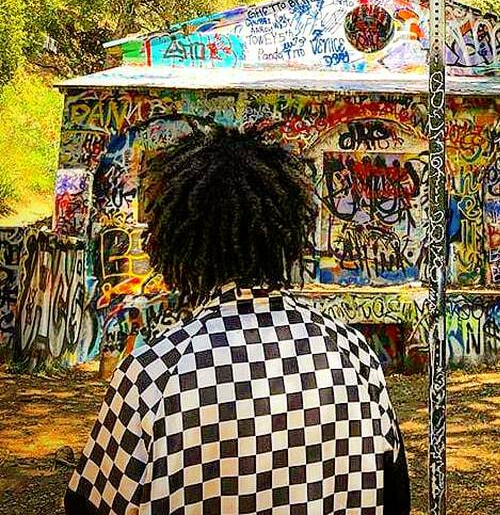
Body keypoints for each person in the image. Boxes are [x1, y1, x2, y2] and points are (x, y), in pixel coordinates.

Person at [66, 128, 411, 515]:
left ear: (180, 241)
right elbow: (396, 496)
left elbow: (89, 502)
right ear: (287, 234)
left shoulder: (154, 374)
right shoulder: (353, 355)